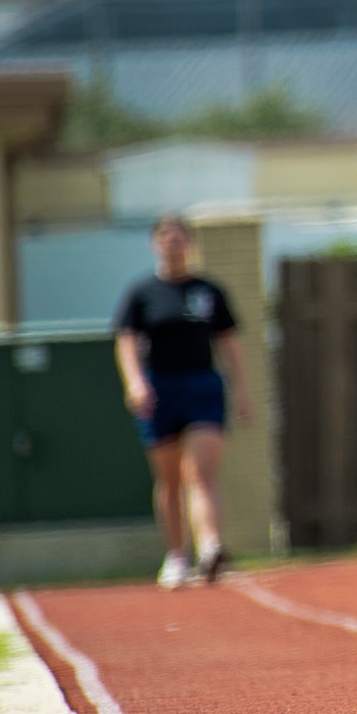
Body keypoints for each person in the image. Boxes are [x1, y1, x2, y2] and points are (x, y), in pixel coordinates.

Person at [114, 215, 253, 589]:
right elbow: (126, 341)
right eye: (166, 240)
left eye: (180, 240)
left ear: (190, 244)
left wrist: (241, 390)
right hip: (161, 389)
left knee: (200, 470)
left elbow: (229, 343)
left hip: (202, 385)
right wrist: (135, 383)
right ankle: (176, 555)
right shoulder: (142, 293)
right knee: (170, 477)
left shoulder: (209, 291)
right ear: (156, 244)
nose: (173, 246)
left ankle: (210, 546)